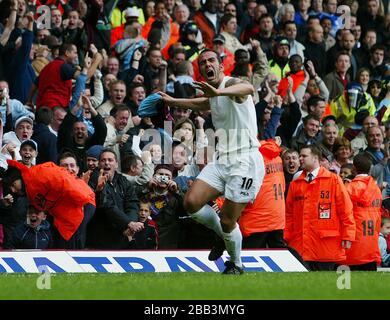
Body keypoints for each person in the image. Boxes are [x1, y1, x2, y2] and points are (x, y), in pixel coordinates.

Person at [159, 49, 265, 275]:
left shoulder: (231, 84)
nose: (207, 64)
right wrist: (173, 100)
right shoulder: (213, 95)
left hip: (245, 160)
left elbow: (248, 88)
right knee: (191, 202)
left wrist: (218, 91)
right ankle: (222, 237)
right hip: (223, 158)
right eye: (203, 62)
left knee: (228, 220)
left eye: (211, 60)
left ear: (220, 65)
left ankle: (236, 264)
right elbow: (201, 104)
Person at [285, 144, 356, 271]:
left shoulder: (333, 180)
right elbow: (289, 214)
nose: (300, 158)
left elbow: (345, 210)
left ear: (315, 158)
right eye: (300, 155)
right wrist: (287, 237)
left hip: (324, 247)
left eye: (304, 156)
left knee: (324, 287)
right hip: (300, 246)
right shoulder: (295, 184)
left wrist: (348, 235)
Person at [343, 154, 381, 271]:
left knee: (348, 286)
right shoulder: (376, 189)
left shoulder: (349, 189)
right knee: (369, 287)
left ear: (353, 168)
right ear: (369, 169)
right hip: (371, 244)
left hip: (353, 246)